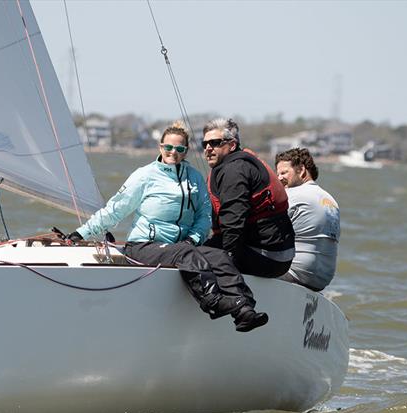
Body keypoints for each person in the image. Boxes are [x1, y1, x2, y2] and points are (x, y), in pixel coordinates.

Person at [68, 122, 268, 332]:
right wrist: (81, 233)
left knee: (219, 256)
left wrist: (193, 239)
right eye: (168, 147)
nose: (173, 152)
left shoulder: (194, 177)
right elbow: (115, 209)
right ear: (160, 147)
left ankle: (243, 309)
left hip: (181, 247)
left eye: (180, 149)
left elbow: (204, 216)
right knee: (185, 252)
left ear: (186, 151)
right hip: (143, 246)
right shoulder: (145, 175)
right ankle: (213, 301)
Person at [201, 118, 295, 278]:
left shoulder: (235, 170)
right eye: (205, 144)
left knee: (189, 257)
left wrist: (225, 264)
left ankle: (231, 301)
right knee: (192, 250)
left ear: (231, 145)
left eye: (215, 143)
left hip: (268, 257)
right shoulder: (237, 163)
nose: (208, 148)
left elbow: (233, 223)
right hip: (275, 253)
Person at [275, 148, 340, 291]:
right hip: (322, 278)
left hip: (295, 273)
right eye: (277, 174)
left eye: (284, 172)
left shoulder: (291, 194)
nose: (279, 178)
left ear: (301, 170)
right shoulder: (331, 200)